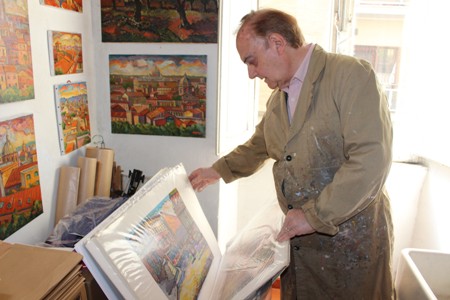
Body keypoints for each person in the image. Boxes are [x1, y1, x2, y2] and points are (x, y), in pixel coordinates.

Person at [189, 8, 394, 299]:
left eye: (252, 61)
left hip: (349, 247)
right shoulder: (279, 99)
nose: (251, 73)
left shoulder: (350, 76)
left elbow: (372, 160)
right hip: (300, 252)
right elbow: (259, 145)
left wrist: (313, 216)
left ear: (276, 43)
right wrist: (218, 171)